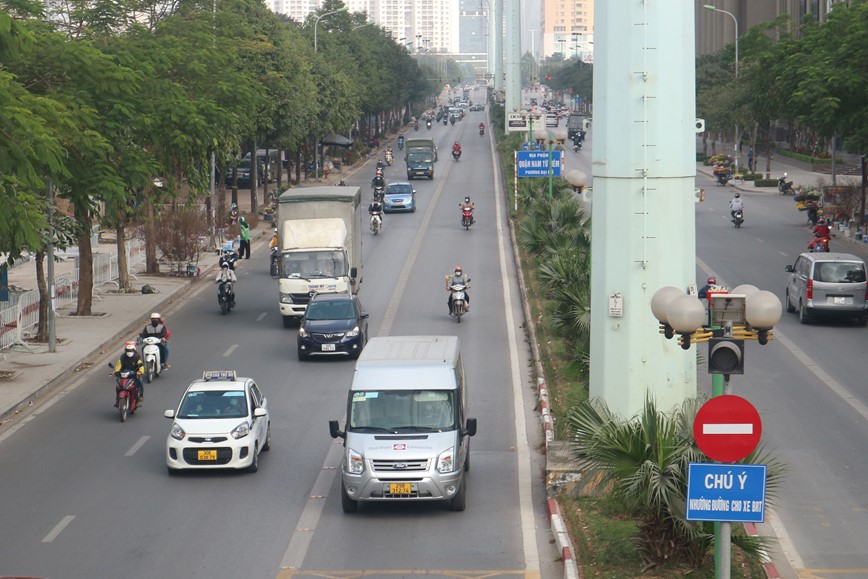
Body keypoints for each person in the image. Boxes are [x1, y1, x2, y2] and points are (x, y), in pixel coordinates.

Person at [113, 341, 144, 405]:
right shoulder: (122, 358)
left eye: (131, 350)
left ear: (134, 350)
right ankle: (117, 399)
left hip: (134, 374)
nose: (129, 352)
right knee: (118, 386)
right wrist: (116, 371)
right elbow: (118, 366)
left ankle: (141, 394)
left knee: (140, 381)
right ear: (125, 351)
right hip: (124, 374)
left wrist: (140, 371)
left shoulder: (137, 357)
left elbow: (141, 366)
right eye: (128, 350)